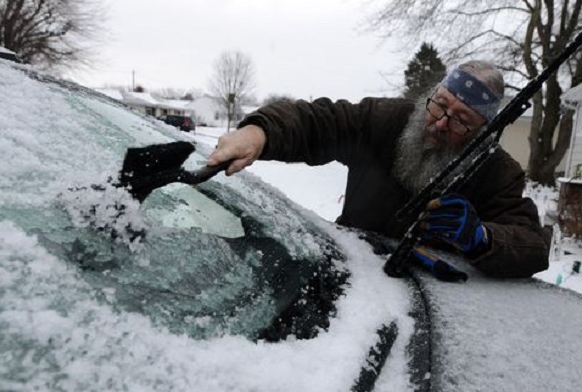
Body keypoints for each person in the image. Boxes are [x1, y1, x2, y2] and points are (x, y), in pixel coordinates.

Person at [207, 60, 551, 278]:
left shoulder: (496, 171)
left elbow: (532, 245)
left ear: (482, 132)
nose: (441, 124)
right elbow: (319, 122)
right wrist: (260, 132)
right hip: (347, 272)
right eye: (441, 106)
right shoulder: (386, 121)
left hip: (427, 305)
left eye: (462, 121)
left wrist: (482, 239)